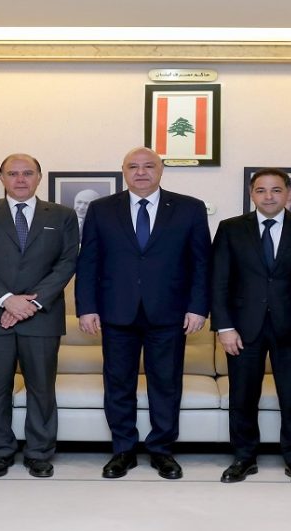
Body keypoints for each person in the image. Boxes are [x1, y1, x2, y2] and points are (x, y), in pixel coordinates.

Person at [75, 147, 210, 480]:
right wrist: (86, 307)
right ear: (123, 171)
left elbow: (202, 263)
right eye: (133, 166)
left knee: (166, 384)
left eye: (148, 166)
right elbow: (88, 261)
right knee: (118, 384)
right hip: (116, 312)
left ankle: (162, 450)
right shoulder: (101, 209)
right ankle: (123, 450)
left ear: (161, 170)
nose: (141, 172)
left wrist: (197, 307)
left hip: (170, 313)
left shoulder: (190, 208)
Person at [211, 168, 291, 487]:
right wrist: (224, 327)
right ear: (252, 194)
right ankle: (244, 458)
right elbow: (218, 280)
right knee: (242, 396)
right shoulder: (230, 229)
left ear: (289, 194)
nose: (268, 196)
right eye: (261, 190)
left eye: (276, 190)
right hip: (242, 328)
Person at [0, 154, 79, 478]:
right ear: (1, 178)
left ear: (39, 177)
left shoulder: (63, 215)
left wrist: (31, 304)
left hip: (42, 316)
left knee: (42, 389)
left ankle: (39, 453)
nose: (20, 179)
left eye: (28, 173)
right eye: (12, 173)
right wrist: (7, 300)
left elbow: (67, 262)